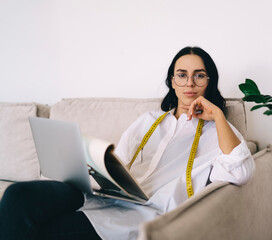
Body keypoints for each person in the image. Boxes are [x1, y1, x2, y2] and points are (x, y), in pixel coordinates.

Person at [0, 46, 255, 240]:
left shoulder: (218, 132)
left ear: (209, 83)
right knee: (16, 195)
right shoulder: (148, 121)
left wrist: (218, 116)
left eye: (199, 75)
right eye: (182, 75)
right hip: (101, 195)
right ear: (172, 81)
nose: (190, 83)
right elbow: (116, 162)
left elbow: (241, 170)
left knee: (54, 230)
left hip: (143, 213)